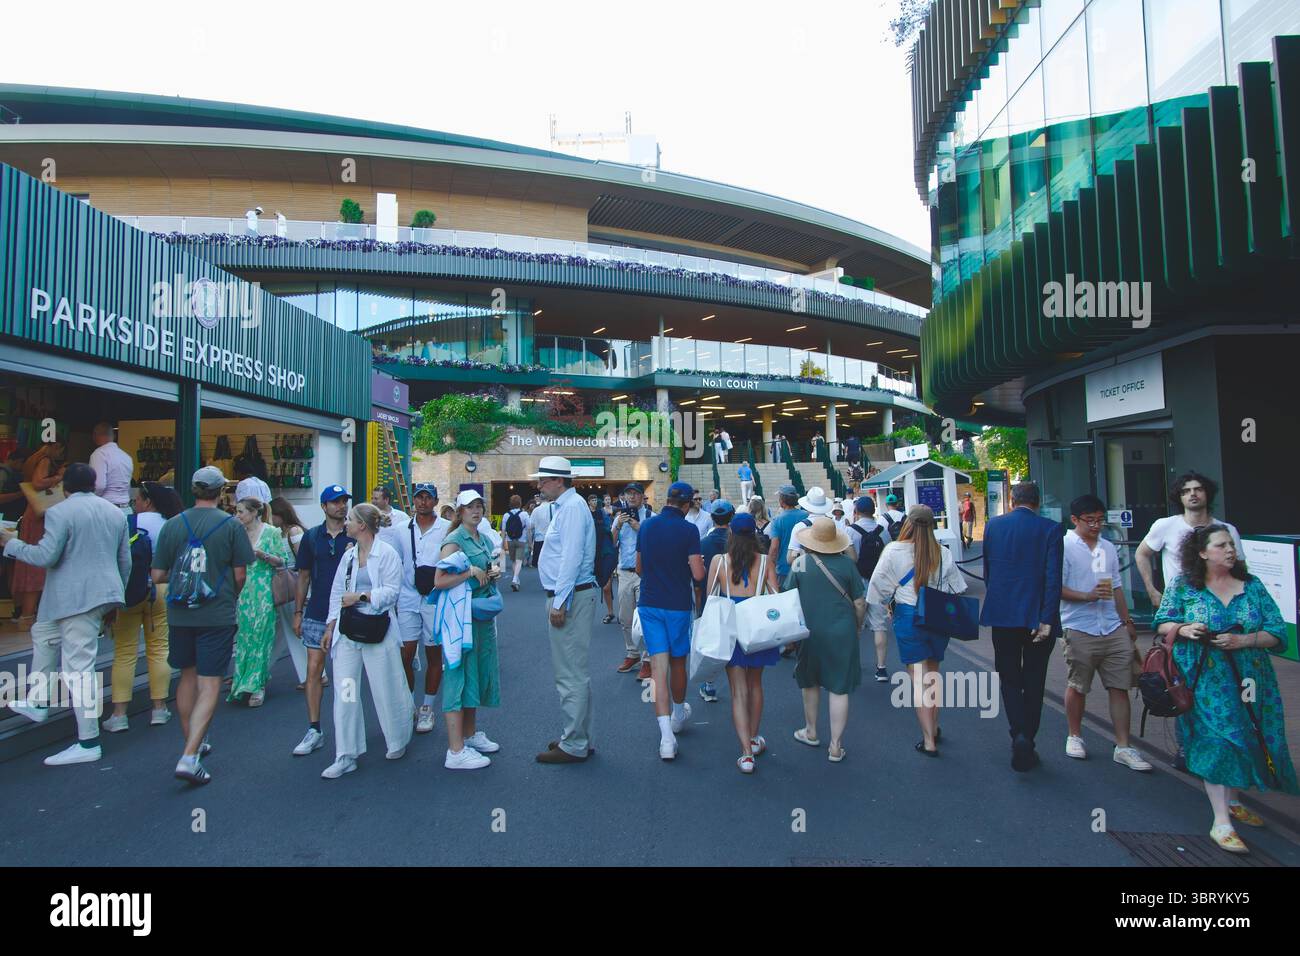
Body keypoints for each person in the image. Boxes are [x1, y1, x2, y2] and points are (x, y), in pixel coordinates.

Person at [1154, 525, 1298, 853]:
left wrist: (1244, 639)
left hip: (1250, 678)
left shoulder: (1252, 586)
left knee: (1246, 735)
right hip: (1203, 677)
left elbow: (1278, 632)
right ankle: (1221, 821)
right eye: (1221, 545)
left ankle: (1233, 801)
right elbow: (1161, 621)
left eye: (1231, 544)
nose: (1230, 550)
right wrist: (1184, 628)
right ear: (1203, 552)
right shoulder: (1184, 585)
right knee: (1217, 740)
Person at [1, 463, 129, 766]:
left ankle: (88, 742)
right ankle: (38, 700)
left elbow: (46, 556)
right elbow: (124, 561)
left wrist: (12, 544)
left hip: (72, 598)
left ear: (65, 487)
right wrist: (114, 601)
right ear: (94, 484)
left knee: (78, 668)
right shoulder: (115, 513)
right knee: (43, 634)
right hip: (98, 595)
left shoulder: (60, 512)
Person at [150, 466, 252, 784]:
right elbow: (239, 575)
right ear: (221, 491)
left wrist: (185, 577)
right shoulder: (231, 525)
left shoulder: (173, 525)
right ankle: (190, 755)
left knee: (187, 678)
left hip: (180, 612)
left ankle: (192, 743)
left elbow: (157, 575)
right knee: (210, 684)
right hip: (216, 612)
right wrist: (227, 595)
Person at [319, 503, 414, 778]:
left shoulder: (387, 554)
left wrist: (362, 597)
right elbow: (338, 592)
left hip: (377, 630)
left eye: (349, 519)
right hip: (348, 633)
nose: (345, 523)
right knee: (345, 693)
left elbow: (392, 593)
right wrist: (330, 626)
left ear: (362, 525)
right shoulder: (349, 557)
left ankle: (397, 738)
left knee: (384, 688)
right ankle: (346, 753)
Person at [1059, 494, 1150, 770]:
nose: (1096, 525)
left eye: (1100, 520)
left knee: (1120, 685)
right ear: (1075, 520)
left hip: (1112, 625)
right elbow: (1054, 588)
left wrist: (1127, 620)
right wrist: (1086, 597)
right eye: (1090, 520)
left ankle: (1123, 745)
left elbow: (1117, 586)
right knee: (1078, 684)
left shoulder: (1108, 548)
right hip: (1079, 625)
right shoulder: (1063, 546)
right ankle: (1074, 735)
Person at [866, 505, 966, 756]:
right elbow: (958, 588)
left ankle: (928, 740)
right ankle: (934, 727)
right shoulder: (942, 552)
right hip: (937, 615)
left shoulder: (893, 551)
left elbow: (877, 588)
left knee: (919, 682)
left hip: (909, 615)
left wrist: (890, 602)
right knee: (933, 676)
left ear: (908, 524)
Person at [980, 482, 1063, 772]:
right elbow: (1054, 579)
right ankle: (1028, 735)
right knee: (1035, 679)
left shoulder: (993, 527)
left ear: (1012, 500)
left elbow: (989, 571)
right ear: (1037, 502)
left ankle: (1018, 733)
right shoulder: (1051, 529)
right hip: (1037, 615)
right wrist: (1048, 618)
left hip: (1003, 613)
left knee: (1009, 677)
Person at [533, 456, 599, 764]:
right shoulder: (571, 506)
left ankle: (574, 742)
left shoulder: (571, 508)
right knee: (575, 672)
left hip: (570, 597)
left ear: (559, 480)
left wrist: (559, 602)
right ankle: (579, 737)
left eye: (543, 480)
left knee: (569, 674)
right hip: (575, 594)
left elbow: (571, 558)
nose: (539, 485)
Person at [104, 481, 182, 732]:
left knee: (124, 652)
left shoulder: (127, 523)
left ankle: (119, 714)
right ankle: (159, 708)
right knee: (159, 648)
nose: (134, 503)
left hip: (130, 590)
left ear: (147, 501)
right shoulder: (171, 524)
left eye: (137, 499)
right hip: (162, 587)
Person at [637, 481, 706, 760]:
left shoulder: (647, 526)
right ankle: (678, 715)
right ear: (687, 504)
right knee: (678, 662)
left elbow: (639, 567)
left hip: (650, 602)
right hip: (677, 603)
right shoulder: (689, 530)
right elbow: (699, 576)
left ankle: (666, 738)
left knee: (658, 668)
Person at [788, 516, 866, 763]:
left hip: (809, 630)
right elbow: (860, 602)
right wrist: (858, 625)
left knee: (809, 681)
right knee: (839, 686)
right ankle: (835, 745)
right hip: (842, 629)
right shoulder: (847, 565)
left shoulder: (800, 563)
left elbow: (788, 596)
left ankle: (811, 731)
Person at [434, 489, 503, 769]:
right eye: (470, 507)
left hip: (481, 616)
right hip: (460, 619)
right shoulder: (453, 541)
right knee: (457, 674)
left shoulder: (484, 539)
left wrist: (491, 571)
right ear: (459, 511)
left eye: (479, 506)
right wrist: (467, 574)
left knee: (476, 672)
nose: (476, 511)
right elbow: (438, 581)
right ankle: (455, 750)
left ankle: (470, 734)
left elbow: (487, 568)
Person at [707, 512, 778, 773]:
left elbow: (710, 597)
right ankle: (754, 738)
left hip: (730, 623)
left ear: (731, 535)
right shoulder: (764, 560)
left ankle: (746, 754)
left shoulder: (719, 561)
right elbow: (775, 594)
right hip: (757, 622)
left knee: (738, 690)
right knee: (756, 684)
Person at [289, 485, 353, 758]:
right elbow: (303, 576)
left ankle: (347, 728)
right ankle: (314, 728)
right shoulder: (311, 537)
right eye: (335, 502)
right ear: (324, 507)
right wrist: (298, 612)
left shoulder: (356, 533)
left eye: (343, 501)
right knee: (313, 670)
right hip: (317, 612)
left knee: (346, 675)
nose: (341, 506)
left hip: (348, 614)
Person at [1136, 472, 1242, 611]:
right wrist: (1151, 589)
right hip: (1179, 602)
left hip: (1221, 601)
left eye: (1198, 489)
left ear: (1207, 493)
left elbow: (1240, 566)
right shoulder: (1165, 525)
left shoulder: (1228, 530)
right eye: (1186, 491)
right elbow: (1141, 554)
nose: (1193, 494)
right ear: (1180, 497)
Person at [228, 498, 291, 707]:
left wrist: (262, 555)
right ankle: (242, 683)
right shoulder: (238, 534)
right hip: (244, 592)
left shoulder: (271, 532)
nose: (238, 516)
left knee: (262, 637)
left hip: (264, 589)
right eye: (236, 512)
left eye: (241, 512)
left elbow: (283, 561)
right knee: (245, 639)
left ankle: (257, 685)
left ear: (254, 512)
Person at [399, 482, 450, 734]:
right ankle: (408, 704)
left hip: (434, 597)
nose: (422, 502)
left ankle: (427, 707)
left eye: (427, 498)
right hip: (407, 597)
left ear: (435, 501)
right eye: (418, 497)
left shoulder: (445, 529)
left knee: (433, 654)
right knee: (405, 655)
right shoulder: (400, 529)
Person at [11, 441, 65, 631]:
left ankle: (25, 614)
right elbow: (38, 482)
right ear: (55, 447)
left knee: (29, 563)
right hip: (40, 515)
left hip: (31, 513)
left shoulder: (32, 460)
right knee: (37, 564)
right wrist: (58, 477)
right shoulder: (45, 460)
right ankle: (28, 615)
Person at [847, 495, 891, 682]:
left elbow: (849, 558)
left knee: (854, 626)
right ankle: (881, 668)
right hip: (878, 582)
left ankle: (852, 664)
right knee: (879, 625)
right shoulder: (884, 531)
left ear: (856, 512)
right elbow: (887, 556)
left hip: (857, 581)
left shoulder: (850, 531)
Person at [612, 483, 654, 676]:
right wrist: (618, 525)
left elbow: (655, 543)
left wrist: (638, 527)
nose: (631, 497)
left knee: (644, 617)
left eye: (635, 494)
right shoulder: (619, 517)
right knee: (625, 617)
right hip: (625, 572)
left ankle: (647, 659)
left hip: (645, 573)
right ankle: (632, 652)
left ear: (642, 496)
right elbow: (612, 542)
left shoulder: (652, 518)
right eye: (628, 494)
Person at [268, 497, 311, 689]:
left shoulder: (293, 531)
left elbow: (304, 561)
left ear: (280, 515)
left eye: (272, 515)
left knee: (294, 631)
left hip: (292, 584)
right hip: (288, 583)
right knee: (279, 632)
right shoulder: (280, 532)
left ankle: (312, 674)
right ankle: (260, 670)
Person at [696, 499, 735, 704]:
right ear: (732, 517)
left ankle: (710, 685)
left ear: (712, 517)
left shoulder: (703, 543)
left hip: (710, 598)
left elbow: (697, 577)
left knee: (713, 645)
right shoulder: (739, 542)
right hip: (736, 598)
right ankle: (739, 685)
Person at [766, 484, 808, 594]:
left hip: (784, 569)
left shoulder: (777, 520)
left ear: (782, 500)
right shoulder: (806, 515)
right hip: (805, 566)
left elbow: (774, 547)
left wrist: (769, 566)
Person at [89, 422, 133, 512]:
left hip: (107, 508)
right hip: (126, 508)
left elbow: (99, 486)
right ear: (114, 436)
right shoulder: (126, 457)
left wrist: (88, 500)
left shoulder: (99, 454)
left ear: (94, 435)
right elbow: (128, 486)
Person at [589, 495, 617, 624]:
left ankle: (620, 612)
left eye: (596, 500)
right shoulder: (586, 515)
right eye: (592, 500)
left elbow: (610, 531)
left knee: (607, 586)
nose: (595, 502)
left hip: (607, 552)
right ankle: (611, 612)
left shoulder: (603, 515)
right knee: (603, 585)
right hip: (594, 553)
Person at [502, 493, 530, 591]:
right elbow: (529, 529)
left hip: (510, 540)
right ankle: (515, 579)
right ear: (520, 503)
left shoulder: (506, 515)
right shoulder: (524, 514)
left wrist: (502, 543)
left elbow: (503, 531)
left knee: (514, 560)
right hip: (521, 540)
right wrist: (530, 543)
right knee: (519, 561)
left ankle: (516, 580)